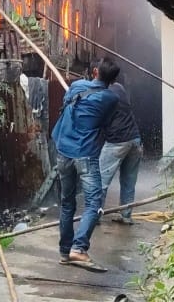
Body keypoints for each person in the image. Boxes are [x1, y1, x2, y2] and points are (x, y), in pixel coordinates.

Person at [51, 59, 120, 271]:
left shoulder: (76, 86)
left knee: (67, 203)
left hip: (63, 150)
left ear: (95, 71)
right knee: (94, 203)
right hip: (85, 154)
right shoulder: (111, 99)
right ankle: (79, 249)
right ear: (113, 80)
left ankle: (65, 252)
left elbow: (67, 103)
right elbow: (106, 123)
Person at [99, 71, 144, 225]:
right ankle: (126, 216)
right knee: (128, 181)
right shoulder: (120, 88)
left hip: (117, 142)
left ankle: (93, 216)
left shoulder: (103, 94)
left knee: (100, 180)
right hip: (135, 139)